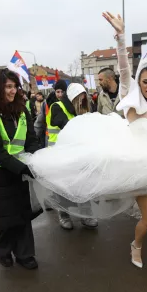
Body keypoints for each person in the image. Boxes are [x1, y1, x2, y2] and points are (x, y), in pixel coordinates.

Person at [24, 11, 147, 281]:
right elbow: (124, 70)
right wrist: (121, 36)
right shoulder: (132, 100)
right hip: (140, 167)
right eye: (145, 81)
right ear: (139, 84)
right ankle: (136, 245)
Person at [0, 68, 41, 269]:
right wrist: (22, 168)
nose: (13, 91)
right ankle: (4, 250)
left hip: (18, 167)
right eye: (8, 87)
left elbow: (31, 139)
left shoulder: (21, 109)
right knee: (4, 213)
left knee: (22, 211)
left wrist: (34, 160)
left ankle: (25, 254)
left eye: (15, 87)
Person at [47, 82, 98, 230]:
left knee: (83, 185)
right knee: (64, 187)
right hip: (60, 154)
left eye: (84, 99)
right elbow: (62, 122)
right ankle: (64, 214)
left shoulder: (83, 110)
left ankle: (85, 216)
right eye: (79, 99)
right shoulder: (57, 107)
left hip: (78, 153)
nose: (82, 102)